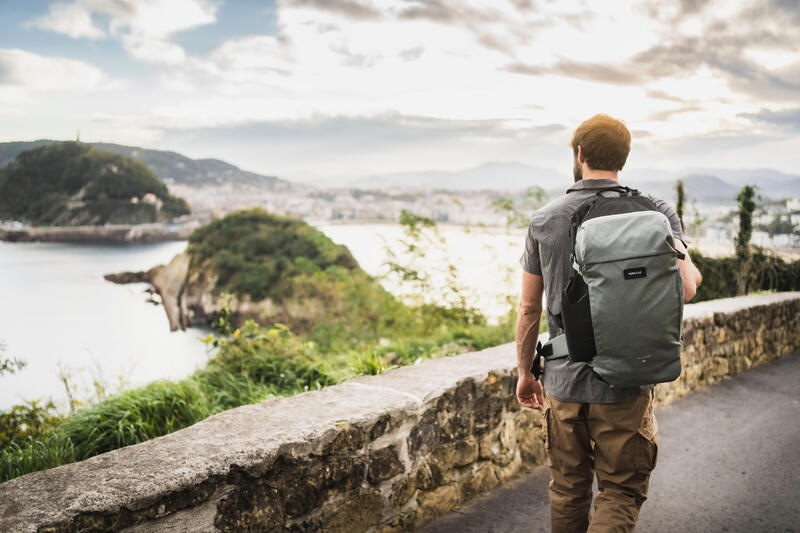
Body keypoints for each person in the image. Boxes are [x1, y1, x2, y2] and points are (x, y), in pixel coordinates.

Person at [515, 114, 703, 532]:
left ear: (579, 154)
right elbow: (688, 288)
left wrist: (525, 374)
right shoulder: (655, 211)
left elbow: (529, 309)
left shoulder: (544, 219)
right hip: (626, 378)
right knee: (620, 489)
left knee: (567, 489)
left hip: (563, 382)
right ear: (624, 156)